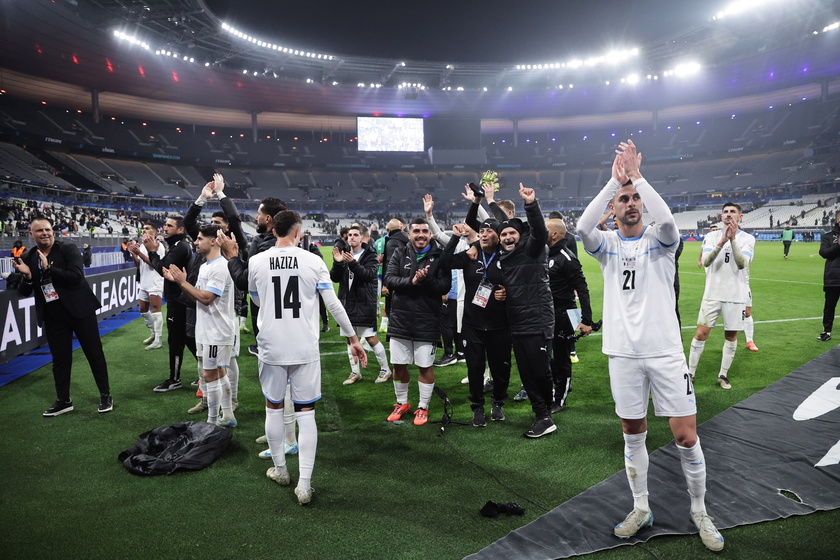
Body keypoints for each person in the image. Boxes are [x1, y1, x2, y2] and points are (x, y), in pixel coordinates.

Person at [577, 140, 724, 552]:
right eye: (624, 199)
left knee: (686, 437)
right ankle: (641, 507)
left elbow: (671, 222)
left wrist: (638, 177)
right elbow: (583, 229)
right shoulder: (606, 245)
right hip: (622, 354)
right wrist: (613, 181)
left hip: (664, 352)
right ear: (614, 207)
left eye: (636, 198)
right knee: (632, 434)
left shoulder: (661, 240)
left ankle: (700, 511)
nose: (631, 203)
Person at [248, 210, 367, 505]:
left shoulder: (256, 261)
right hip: (303, 346)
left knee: (274, 408)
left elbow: (255, 298)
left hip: (272, 346)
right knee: (306, 414)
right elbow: (334, 305)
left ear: (273, 230)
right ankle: (304, 485)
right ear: (299, 232)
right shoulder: (313, 261)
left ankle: (280, 470)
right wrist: (353, 338)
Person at [12, 217, 112, 416]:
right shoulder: (30, 256)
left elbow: (75, 277)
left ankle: (105, 395)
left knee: (94, 353)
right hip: (53, 315)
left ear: (53, 231)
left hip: (80, 311)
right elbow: (24, 291)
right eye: (39, 231)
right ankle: (64, 400)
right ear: (31, 234)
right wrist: (28, 276)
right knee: (60, 359)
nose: (45, 233)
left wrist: (48, 267)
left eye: (47, 229)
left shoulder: (68, 249)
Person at [494, 184, 557, 438]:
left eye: (512, 233)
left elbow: (540, 231)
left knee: (541, 372)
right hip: (517, 322)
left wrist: (530, 205)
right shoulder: (504, 256)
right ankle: (541, 414)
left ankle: (547, 413)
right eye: (504, 234)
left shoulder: (531, 250)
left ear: (521, 235)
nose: (508, 237)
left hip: (537, 320)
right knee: (527, 374)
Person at [164, 225, 237, 427]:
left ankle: (212, 422)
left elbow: (206, 299)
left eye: (199, 238)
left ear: (213, 241)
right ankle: (228, 416)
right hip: (206, 329)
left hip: (217, 330)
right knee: (218, 373)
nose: (195, 242)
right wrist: (181, 283)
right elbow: (195, 298)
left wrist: (182, 282)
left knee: (208, 375)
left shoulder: (220, 267)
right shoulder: (206, 266)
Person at [440, 219, 511, 426]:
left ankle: (498, 403)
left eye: (490, 230)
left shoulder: (507, 255)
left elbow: (519, 281)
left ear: (498, 235)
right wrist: (455, 238)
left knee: (501, 368)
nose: (485, 234)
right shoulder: (471, 255)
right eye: (482, 231)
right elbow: (444, 263)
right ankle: (477, 408)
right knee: (475, 368)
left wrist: (508, 293)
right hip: (473, 325)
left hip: (500, 324)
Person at [383, 217, 451, 426]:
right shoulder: (399, 252)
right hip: (401, 319)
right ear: (409, 233)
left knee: (425, 365)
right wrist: (412, 281)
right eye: (416, 231)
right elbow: (389, 279)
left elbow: (445, 286)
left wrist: (427, 279)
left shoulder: (440, 256)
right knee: (398, 364)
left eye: (425, 231)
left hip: (427, 319)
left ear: (430, 234)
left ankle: (423, 407)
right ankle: (401, 403)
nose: (421, 234)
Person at [687, 202, 755, 390]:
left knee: (731, 335)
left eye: (733, 212)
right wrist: (722, 242)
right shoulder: (711, 236)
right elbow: (707, 261)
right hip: (712, 293)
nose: (728, 215)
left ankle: (723, 375)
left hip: (736, 295)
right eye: (725, 212)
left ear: (740, 217)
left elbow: (742, 264)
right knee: (701, 334)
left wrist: (732, 240)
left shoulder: (748, 239)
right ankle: (690, 373)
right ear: (721, 216)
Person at [330, 223, 391, 385]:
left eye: (355, 235)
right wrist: (337, 263)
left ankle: (385, 369)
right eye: (349, 235)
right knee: (350, 339)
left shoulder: (370, 255)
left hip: (364, 303)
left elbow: (369, 275)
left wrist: (352, 263)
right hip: (347, 303)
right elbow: (335, 278)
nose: (351, 237)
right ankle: (355, 372)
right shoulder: (344, 254)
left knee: (370, 337)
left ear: (363, 238)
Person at [141, 214, 197, 392]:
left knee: (176, 340)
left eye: (169, 226)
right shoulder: (178, 245)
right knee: (186, 338)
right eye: (165, 225)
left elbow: (162, 269)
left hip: (179, 300)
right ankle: (207, 372)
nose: (165, 228)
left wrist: (152, 251)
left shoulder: (181, 247)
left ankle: (175, 379)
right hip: (180, 298)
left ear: (180, 230)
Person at [546, 218, 593, 413]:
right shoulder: (546, 254)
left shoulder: (567, 257)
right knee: (545, 354)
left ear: (555, 234)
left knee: (562, 356)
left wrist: (586, 320)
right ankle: (561, 383)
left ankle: (560, 399)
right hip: (546, 313)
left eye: (545, 230)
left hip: (563, 313)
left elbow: (582, 289)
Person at [129, 223, 165, 350]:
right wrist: (134, 254)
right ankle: (154, 333)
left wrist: (139, 252)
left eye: (147, 228)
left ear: (154, 232)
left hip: (155, 281)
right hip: (144, 281)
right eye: (143, 228)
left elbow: (155, 264)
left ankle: (159, 340)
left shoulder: (158, 245)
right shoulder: (143, 246)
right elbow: (139, 265)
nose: (144, 230)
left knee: (156, 309)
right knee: (143, 309)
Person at [379, 218, 408, 333]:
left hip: (394, 283)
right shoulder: (407, 240)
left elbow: (390, 264)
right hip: (406, 280)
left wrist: (386, 284)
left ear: (389, 229)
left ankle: (396, 335)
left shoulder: (391, 242)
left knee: (392, 311)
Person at [818, 210, 840, 341]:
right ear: (838, 219)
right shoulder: (828, 236)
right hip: (833, 277)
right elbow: (824, 253)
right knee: (829, 307)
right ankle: (827, 331)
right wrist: (838, 245)